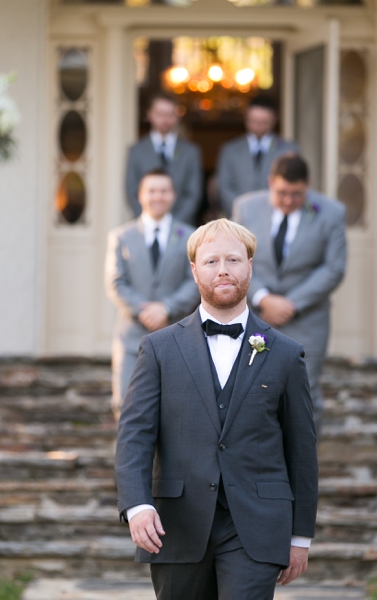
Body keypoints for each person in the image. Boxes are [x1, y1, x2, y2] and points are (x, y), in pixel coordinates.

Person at [115, 218, 318, 600]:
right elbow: (134, 435)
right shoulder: (159, 350)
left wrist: (300, 535)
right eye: (211, 262)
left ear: (250, 266)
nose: (223, 270)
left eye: (233, 260)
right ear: (194, 270)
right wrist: (138, 505)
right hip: (176, 524)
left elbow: (301, 451)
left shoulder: (287, 355)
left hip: (256, 526)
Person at [232, 153, 346, 433]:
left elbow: (334, 268)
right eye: (281, 192)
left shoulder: (331, 212)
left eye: (296, 194)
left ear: (307, 186)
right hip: (256, 315)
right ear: (271, 182)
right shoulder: (246, 207)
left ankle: (303, 466)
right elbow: (236, 257)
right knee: (250, 390)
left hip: (308, 319)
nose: (287, 201)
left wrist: (291, 304)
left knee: (305, 391)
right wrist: (262, 298)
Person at [105, 169, 200, 419]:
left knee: (174, 413)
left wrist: (166, 309)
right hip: (130, 338)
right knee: (126, 409)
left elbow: (194, 281)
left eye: (164, 190)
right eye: (152, 190)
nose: (158, 196)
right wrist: (145, 310)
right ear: (140, 195)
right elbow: (115, 283)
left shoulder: (190, 236)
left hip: (175, 335)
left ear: (173, 195)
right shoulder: (121, 236)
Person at [126, 93, 203, 225]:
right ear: (150, 114)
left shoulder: (191, 152)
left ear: (177, 116)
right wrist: (150, 220)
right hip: (145, 226)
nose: (165, 120)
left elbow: (193, 193)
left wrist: (173, 223)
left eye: (170, 115)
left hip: (180, 226)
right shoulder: (136, 151)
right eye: (160, 114)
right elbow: (131, 191)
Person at [215, 96, 298, 217]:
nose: (258, 126)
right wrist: (241, 211)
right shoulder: (230, 150)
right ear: (246, 119)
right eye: (253, 121)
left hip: (276, 216)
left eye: (264, 122)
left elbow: (293, 185)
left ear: (274, 120)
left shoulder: (288, 149)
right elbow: (224, 187)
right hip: (238, 218)